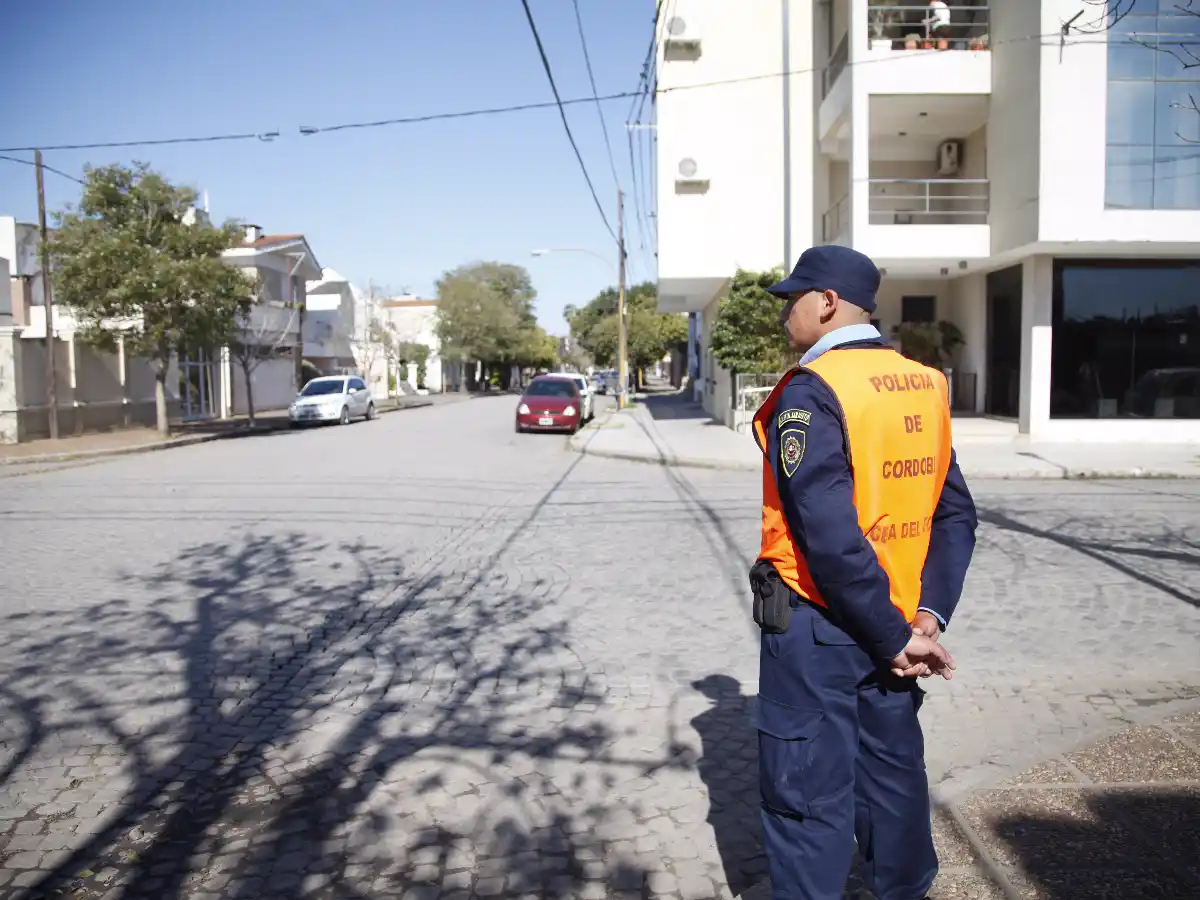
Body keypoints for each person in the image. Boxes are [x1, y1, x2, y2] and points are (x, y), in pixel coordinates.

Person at [748, 245, 978, 900]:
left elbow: (829, 538)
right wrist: (924, 618)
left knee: (805, 799)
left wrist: (889, 633)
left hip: (821, 631)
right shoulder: (925, 384)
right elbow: (954, 514)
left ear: (825, 303)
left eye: (793, 299)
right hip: (901, 628)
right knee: (894, 786)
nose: (786, 313)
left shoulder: (811, 391)